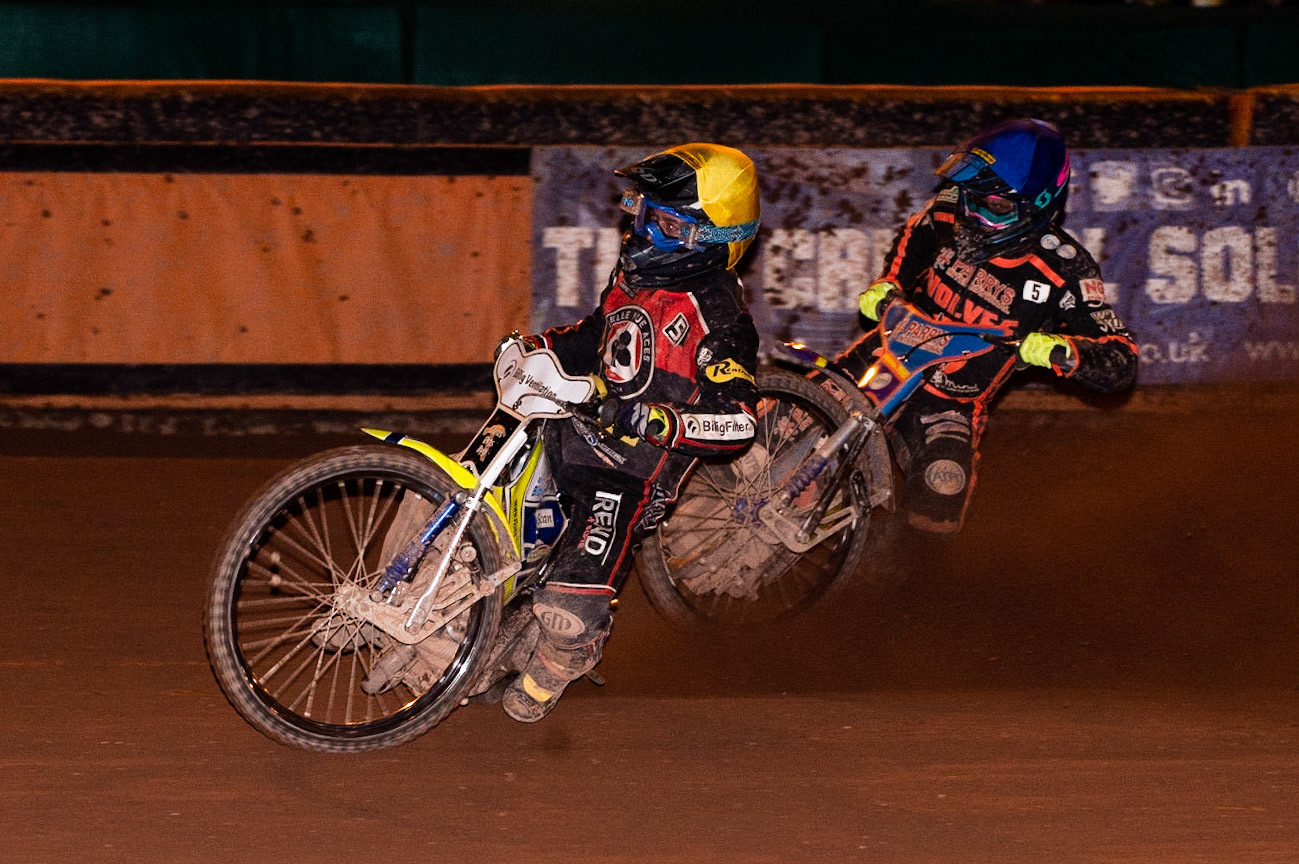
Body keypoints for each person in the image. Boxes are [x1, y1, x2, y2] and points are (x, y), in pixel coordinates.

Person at [501, 142, 762, 722]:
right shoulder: (633, 277)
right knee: (468, 485)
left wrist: (659, 420)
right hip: (575, 423)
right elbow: (598, 331)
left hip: (631, 470)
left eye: (664, 222)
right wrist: (541, 346)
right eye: (643, 211)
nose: (641, 229)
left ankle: (569, 652)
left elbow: (738, 420)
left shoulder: (720, 317)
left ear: (710, 239)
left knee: (569, 602)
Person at [835, 118, 1138, 536]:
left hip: (949, 402)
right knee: (786, 421)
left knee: (942, 489)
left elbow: (1121, 361)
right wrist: (889, 283)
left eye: (994, 205)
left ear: (1038, 205)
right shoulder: (947, 209)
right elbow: (914, 237)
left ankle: (903, 584)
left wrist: (1058, 349)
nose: (973, 213)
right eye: (971, 196)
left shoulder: (1065, 269)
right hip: (883, 358)